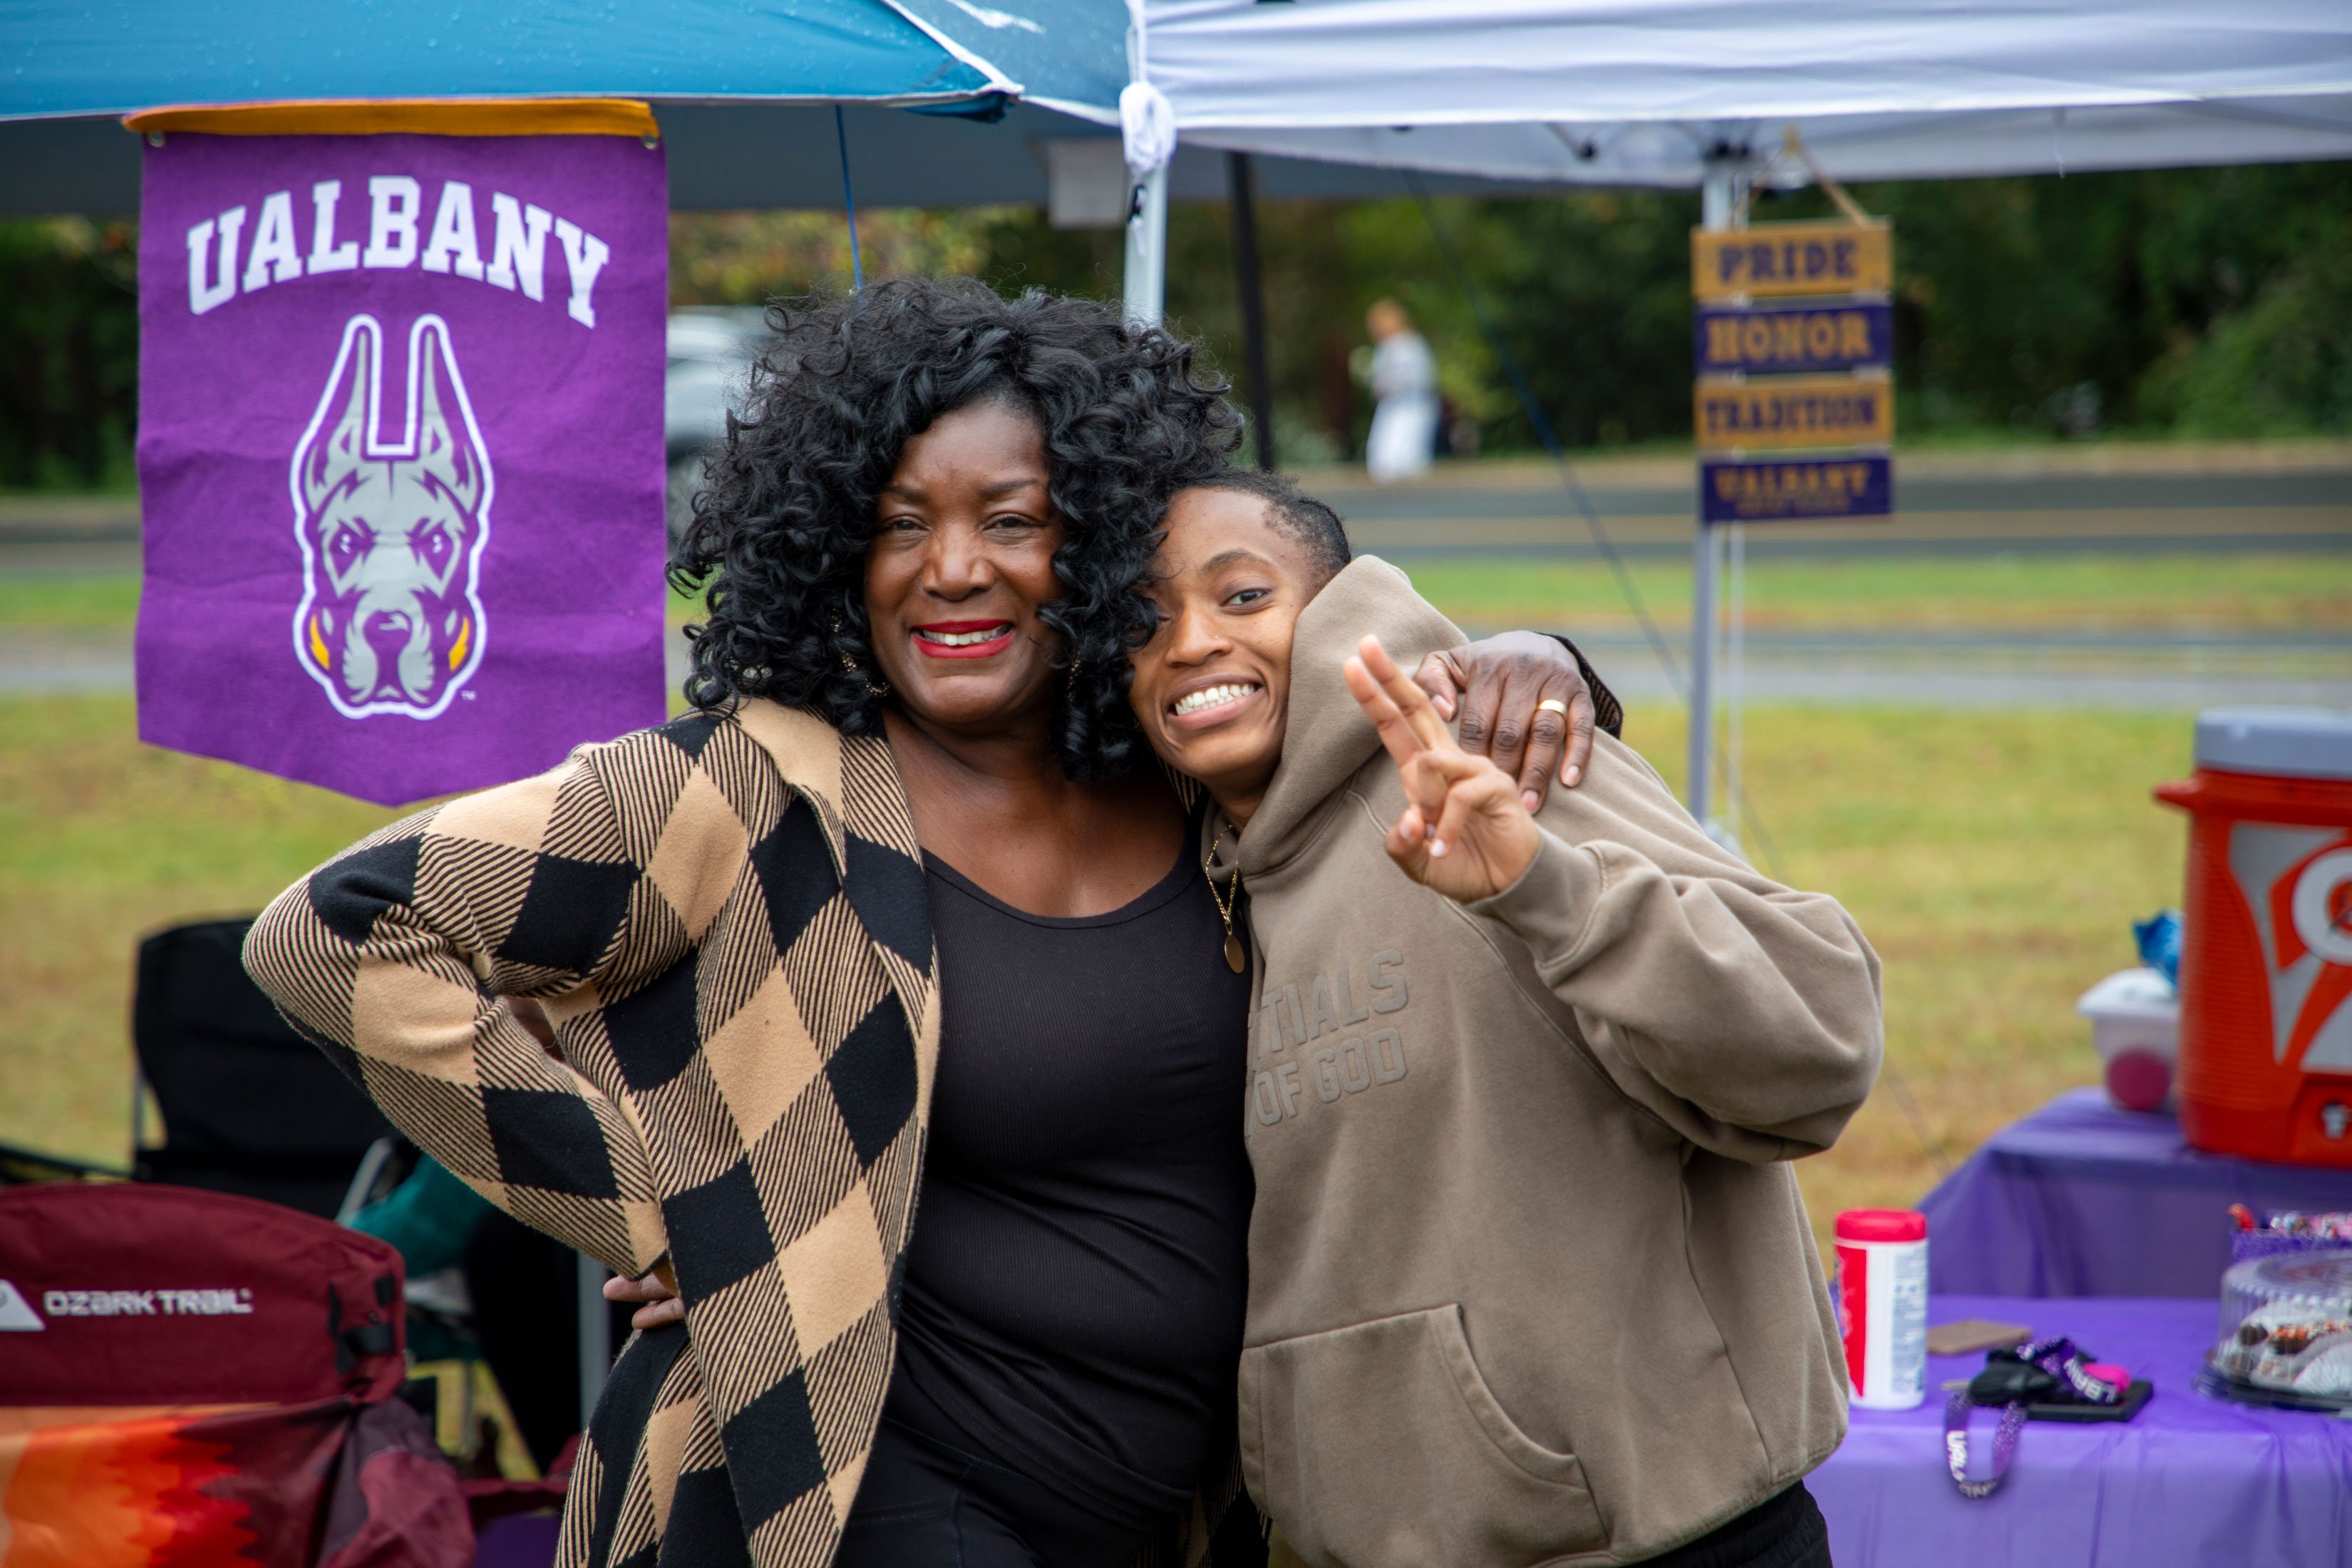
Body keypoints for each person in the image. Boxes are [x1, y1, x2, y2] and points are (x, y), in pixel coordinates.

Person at [244, 279, 1611, 1568]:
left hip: (1179, 1504)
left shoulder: (1194, 780)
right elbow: (332, 933)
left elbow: (1393, 719)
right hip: (843, 1494)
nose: (952, 569)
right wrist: (667, 1216)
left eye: (1012, 520)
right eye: (901, 524)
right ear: (837, 544)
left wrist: (1546, 662)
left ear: (1103, 544)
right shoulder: (738, 793)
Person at [1123, 470, 1884, 1568]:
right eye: (1146, 617)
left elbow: (1822, 1035)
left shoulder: (1491, 753)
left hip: (1655, 1542)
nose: (1191, 639)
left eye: (1244, 597)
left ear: (1338, 606)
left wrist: (1545, 892)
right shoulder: (1198, 868)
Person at [1361, 300, 1438, 483]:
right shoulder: (1395, 345)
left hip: (1411, 405)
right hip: (1395, 406)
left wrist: (1384, 387)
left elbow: (1411, 378)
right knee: (1385, 461)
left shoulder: (1406, 345)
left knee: (1404, 458)